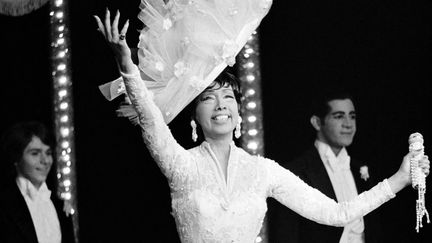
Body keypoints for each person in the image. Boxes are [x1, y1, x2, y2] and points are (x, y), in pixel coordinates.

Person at [94, 6, 430, 243]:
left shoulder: (263, 171)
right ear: (194, 116)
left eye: (228, 97)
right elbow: (151, 122)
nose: (221, 104)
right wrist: (126, 65)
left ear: (239, 114)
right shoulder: (182, 165)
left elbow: (339, 213)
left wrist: (400, 179)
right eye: (209, 97)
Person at [269, 89, 387, 243]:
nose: (348, 124)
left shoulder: (361, 169)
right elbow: (286, 234)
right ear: (317, 122)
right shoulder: (295, 171)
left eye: (352, 116)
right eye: (339, 116)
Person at [0, 121, 74, 243]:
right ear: (16, 158)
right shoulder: (4, 202)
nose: (45, 160)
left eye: (48, 153)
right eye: (35, 153)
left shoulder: (61, 207)